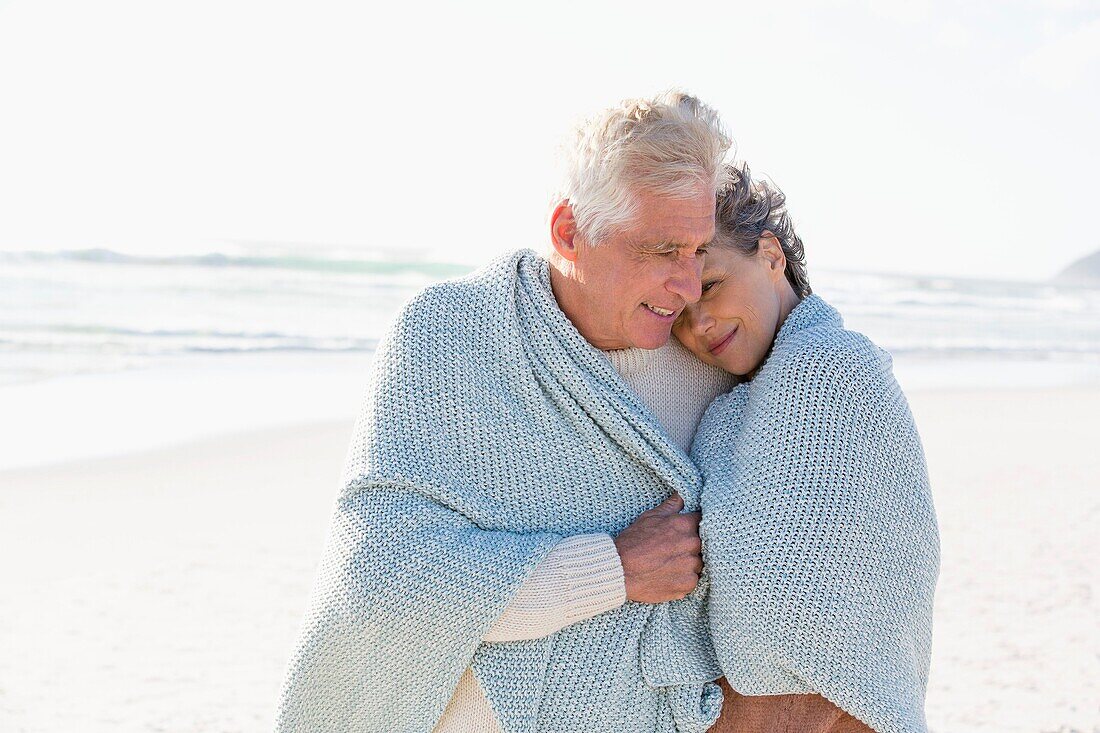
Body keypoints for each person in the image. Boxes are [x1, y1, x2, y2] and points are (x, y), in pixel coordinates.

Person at [274, 92, 877, 733]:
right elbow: (380, 578)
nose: (687, 285)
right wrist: (612, 568)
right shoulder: (453, 334)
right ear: (570, 232)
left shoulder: (709, 362)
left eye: (698, 252)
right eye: (661, 250)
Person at [668, 165, 940, 733]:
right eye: (680, 315)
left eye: (711, 286)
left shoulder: (829, 368)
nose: (701, 323)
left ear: (771, 255)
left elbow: (801, 612)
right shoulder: (740, 404)